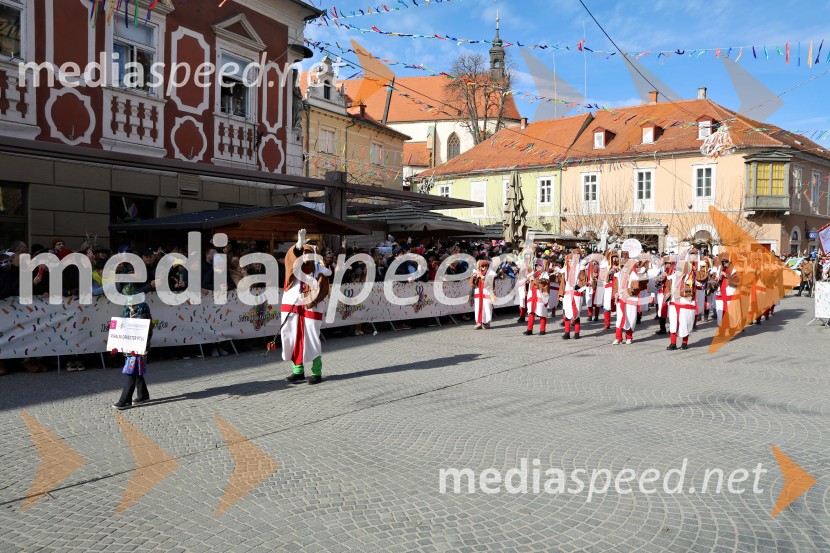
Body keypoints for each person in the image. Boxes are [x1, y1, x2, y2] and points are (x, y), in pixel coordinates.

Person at [282, 229, 331, 385]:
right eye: (302, 254)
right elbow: (291, 259)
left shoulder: (319, 269)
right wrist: (298, 245)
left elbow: (324, 287)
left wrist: (310, 301)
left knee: (311, 338)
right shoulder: (294, 269)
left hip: (311, 308)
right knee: (292, 336)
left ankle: (316, 372)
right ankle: (298, 371)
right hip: (293, 306)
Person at [112, 294, 153, 410]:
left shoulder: (144, 316)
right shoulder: (127, 315)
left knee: (131, 374)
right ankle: (143, 395)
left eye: (134, 305)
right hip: (129, 349)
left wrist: (143, 348)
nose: (131, 307)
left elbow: (147, 335)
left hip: (138, 350)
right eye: (129, 305)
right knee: (137, 372)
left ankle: (125, 401)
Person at [667, 262, 696, 350]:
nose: (677, 271)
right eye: (676, 269)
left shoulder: (689, 278)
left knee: (685, 323)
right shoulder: (671, 278)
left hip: (684, 304)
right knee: (673, 324)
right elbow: (667, 289)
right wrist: (668, 295)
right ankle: (673, 343)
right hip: (673, 304)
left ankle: (684, 343)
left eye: (679, 269)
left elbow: (691, 291)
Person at [471, 259, 495, 330]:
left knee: (487, 307)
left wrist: (483, 277)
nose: (484, 268)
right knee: (478, 307)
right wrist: (475, 277)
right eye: (482, 266)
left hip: (486, 292)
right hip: (479, 293)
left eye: (485, 266)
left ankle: (487, 322)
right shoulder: (477, 273)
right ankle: (479, 322)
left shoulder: (490, 273)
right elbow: (472, 284)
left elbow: (491, 284)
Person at [524, 271, 550, 336]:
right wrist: (528, 280)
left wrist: (536, 280)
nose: (538, 268)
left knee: (542, 313)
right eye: (537, 266)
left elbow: (545, 282)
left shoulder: (545, 274)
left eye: (539, 266)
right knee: (531, 312)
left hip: (540, 296)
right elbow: (528, 283)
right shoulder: (533, 273)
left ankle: (542, 330)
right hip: (533, 296)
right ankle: (529, 329)